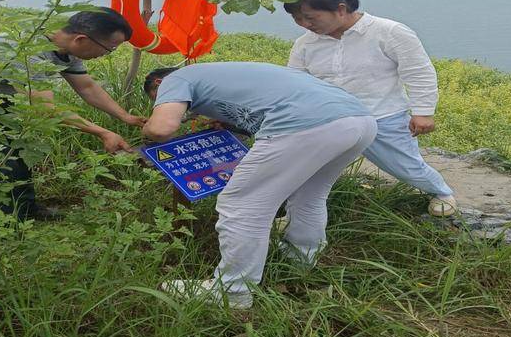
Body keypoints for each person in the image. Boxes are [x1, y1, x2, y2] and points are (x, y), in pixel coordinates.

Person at [142, 62, 377, 309]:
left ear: (158, 84)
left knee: (242, 205)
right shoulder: (221, 72)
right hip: (360, 121)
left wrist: (147, 126)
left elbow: (162, 128)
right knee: (310, 194)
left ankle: (233, 291)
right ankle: (300, 259)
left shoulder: (175, 79)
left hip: (307, 124)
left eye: (156, 100)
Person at [0, 8, 145, 221]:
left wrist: (125, 116)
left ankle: (26, 209)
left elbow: (86, 87)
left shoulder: (66, 48)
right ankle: (3, 223)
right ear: (81, 40)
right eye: (110, 48)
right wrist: (103, 133)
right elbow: (45, 110)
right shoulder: (28, 52)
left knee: (18, 150)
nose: (107, 54)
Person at [284, 0, 457, 216]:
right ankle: (297, 210)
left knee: (405, 167)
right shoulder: (306, 43)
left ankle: (441, 192)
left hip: (382, 115)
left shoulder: (388, 31)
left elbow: (418, 71)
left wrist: (423, 112)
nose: (305, 24)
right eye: (297, 19)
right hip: (329, 119)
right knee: (307, 166)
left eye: (310, 17)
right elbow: (296, 81)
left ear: (340, 9)